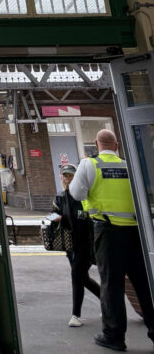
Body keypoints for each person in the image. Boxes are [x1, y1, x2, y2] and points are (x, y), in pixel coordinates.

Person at [70, 129, 154, 351]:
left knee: (111, 285)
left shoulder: (89, 164)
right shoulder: (129, 165)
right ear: (116, 145)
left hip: (108, 232)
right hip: (136, 232)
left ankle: (114, 336)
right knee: (144, 285)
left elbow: (77, 194)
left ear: (96, 144)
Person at [52, 162, 100, 327]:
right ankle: (107, 301)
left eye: (70, 175)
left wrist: (62, 218)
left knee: (76, 275)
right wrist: (53, 217)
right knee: (83, 278)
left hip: (86, 244)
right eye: (65, 175)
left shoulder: (83, 195)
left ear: (76, 176)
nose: (67, 178)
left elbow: (84, 219)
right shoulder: (60, 196)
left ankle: (75, 315)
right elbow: (56, 212)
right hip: (70, 245)